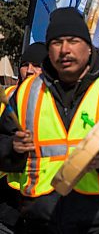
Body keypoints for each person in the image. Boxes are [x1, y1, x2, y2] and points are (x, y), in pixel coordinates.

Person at [0, 7, 99, 233]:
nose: (64, 50)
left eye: (72, 41)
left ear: (88, 46)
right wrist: (13, 150)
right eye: (56, 42)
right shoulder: (26, 93)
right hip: (42, 221)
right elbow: (2, 147)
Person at [0, 42, 47, 234]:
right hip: (7, 198)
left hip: (43, 198)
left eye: (36, 65)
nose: (29, 71)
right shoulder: (8, 96)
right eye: (25, 64)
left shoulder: (55, 102)